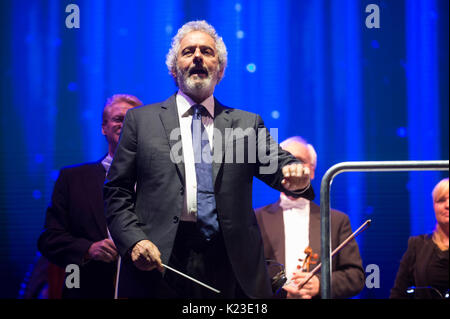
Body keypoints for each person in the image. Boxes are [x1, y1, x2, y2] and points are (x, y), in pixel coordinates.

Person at [103, 20, 314, 299]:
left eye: (207, 51)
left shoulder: (245, 124)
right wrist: (134, 241)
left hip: (229, 264)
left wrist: (295, 175)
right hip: (159, 261)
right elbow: (116, 192)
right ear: (173, 69)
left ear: (221, 70)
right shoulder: (141, 121)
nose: (198, 56)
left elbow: (280, 165)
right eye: (188, 51)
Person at [37, 94, 142, 298]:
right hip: (86, 289)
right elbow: (49, 238)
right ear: (104, 128)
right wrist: (88, 249)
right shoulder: (72, 179)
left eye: (133, 119)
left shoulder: (160, 180)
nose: (126, 124)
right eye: (119, 118)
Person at [255, 136, 365, 299]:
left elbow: (356, 277)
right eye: (285, 160)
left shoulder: (337, 221)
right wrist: (282, 291)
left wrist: (321, 284)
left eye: (299, 161)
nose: (293, 167)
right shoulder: (256, 218)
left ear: (312, 170)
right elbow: (245, 273)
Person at [390, 177, 449, 299]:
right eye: (441, 200)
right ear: (434, 206)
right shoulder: (417, 246)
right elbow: (398, 293)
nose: (447, 205)